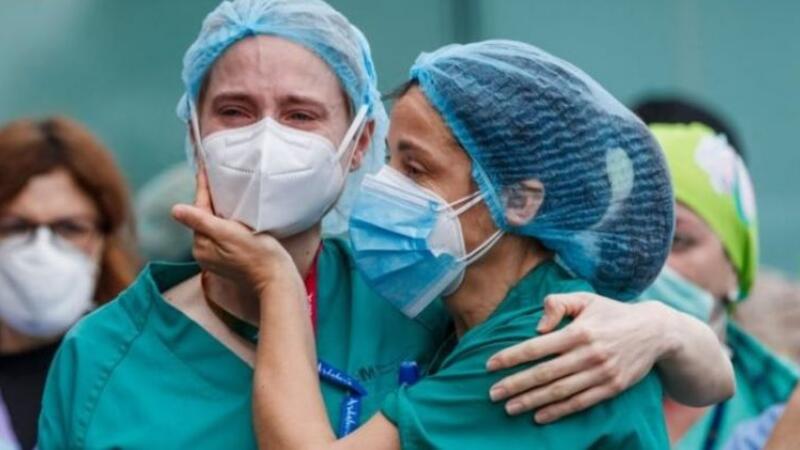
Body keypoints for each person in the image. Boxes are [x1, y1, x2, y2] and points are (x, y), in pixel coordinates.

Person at [40, 1, 731, 448]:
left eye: (301, 115)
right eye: (234, 111)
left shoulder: (459, 310)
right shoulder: (104, 357)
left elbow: (722, 361)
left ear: (356, 140)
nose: (266, 141)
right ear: (193, 130)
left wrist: (665, 328)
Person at [183, 39, 680, 449]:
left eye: (416, 169)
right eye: (390, 161)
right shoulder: (473, 323)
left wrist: (275, 280)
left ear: (519, 201)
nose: (384, 187)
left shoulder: (538, 345)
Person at [637, 123, 796, 449]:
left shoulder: (780, 410)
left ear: (735, 269)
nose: (651, 263)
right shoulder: (555, 393)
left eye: (678, 241)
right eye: (632, 239)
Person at [0, 117, 138, 450]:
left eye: (69, 228)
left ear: (103, 239)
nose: (41, 249)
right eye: (16, 227)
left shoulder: (139, 372)